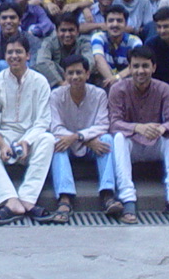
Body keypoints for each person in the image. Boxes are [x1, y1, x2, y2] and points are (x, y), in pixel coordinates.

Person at [109, 46, 169, 224]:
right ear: (129, 68)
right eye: (136, 66)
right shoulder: (118, 89)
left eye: (145, 66)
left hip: (154, 143)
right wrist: (137, 127)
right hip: (132, 145)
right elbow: (113, 123)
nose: (140, 71)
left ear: (153, 67)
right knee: (119, 138)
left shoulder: (163, 88)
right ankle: (128, 199)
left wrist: (162, 128)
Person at [0, 35, 55, 225]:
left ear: (28, 55)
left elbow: (43, 120)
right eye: (10, 52)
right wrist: (1, 144)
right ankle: (10, 200)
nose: (14, 56)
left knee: (48, 139)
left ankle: (27, 199)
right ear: (5, 56)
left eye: (19, 52)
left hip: (30, 136)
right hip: (5, 136)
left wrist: (26, 141)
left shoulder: (40, 81)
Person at [49, 55, 121, 223]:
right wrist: (82, 139)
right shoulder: (56, 95)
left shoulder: (99, 94)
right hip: (69, 145)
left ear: (87, 74)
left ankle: (108, 194)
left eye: (79, 72)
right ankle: (65, 198)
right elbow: (55, 127)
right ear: (65, 75)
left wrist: (78, 137)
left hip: (91, 146)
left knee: (107, 139)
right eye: (70, 73)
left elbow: (103, 125)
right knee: (56, 143)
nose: (75, 77)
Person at [36, 13, 94, 88]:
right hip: (56, 83)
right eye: (63, 30)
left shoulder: (84, 42)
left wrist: (73, 77)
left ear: (77, 31)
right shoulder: (49, 42)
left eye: (71, 30)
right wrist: (61, 83)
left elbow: (89, 61)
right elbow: (42, 61)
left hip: (79, 80)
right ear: (57, 31)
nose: (67, 35)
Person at [91, 5, 142, 89]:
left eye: (119, 21)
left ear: (126, 24)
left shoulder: (134, 41)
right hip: (105, 82)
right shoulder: (98, 37)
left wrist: (117, 78)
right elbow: (98, 60)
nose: (115, 24)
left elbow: (137, 63)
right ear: (105, 24)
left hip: (128, 82)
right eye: (111, 21)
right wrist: (113, 82)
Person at [0, 3, 41, 78]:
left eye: (12, 18)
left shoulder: (32, 40)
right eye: (4, 18)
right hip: (0, 81)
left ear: (20, 21)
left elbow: (34, 65)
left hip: (27, 79)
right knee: (1, 64)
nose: (8, 21)